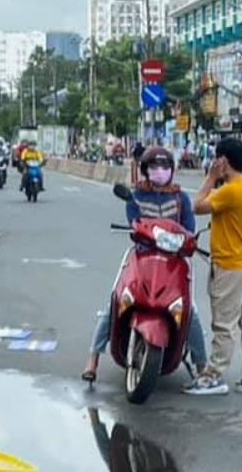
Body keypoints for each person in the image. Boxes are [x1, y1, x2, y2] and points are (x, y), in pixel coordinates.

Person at [82, 146, 209, 382]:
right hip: (143, 258)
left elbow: (189, 229)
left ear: (171, 170)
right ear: (145, 170)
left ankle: (202, 367)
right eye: (153, 167)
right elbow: (134, 224)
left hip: (173, 263)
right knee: (116, 302)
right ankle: (93, 358)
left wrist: (188, 241)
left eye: (164, 167)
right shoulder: (136, 196)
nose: (159, 172)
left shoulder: (180, 198)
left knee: (190, 313)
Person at [185, 137, 242, 396]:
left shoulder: (229, 191)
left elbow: (196, 206)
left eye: (217, 158)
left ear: (223, 161)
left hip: (230, 265)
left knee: (224, 324)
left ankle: (213, 376)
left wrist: (209, 178)